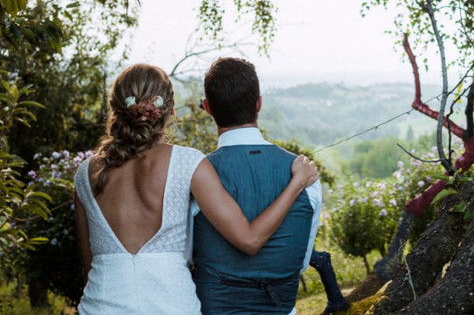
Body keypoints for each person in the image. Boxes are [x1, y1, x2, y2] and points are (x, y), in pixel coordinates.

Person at [73, 64, 318, 315]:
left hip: (99, 306)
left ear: (116, 107)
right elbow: (249, 239)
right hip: (172, 307)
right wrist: (297, 182)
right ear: (170, 109)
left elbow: (89, 266)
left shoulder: (85, 173)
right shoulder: (186, 163)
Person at [192, 57, 322, 315]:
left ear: (207, 107)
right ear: (259, 103)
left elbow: (186, 258)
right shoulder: (306, 177)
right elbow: (302, 260)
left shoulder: (195, 176)